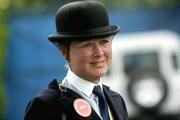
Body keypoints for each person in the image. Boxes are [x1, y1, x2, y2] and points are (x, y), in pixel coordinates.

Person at [24, 0, 128, 120]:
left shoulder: (116, 100)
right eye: (87, 44)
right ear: (64, 50)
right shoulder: (47, 105)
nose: (99, 53)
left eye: (104, 42)